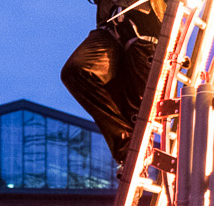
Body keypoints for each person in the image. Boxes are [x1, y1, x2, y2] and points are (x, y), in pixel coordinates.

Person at [62, 0, 168, 164]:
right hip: (110, 24)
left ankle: (134, 150)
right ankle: (126, 144)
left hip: (146, 24)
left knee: (138, 108)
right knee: (76, 71)